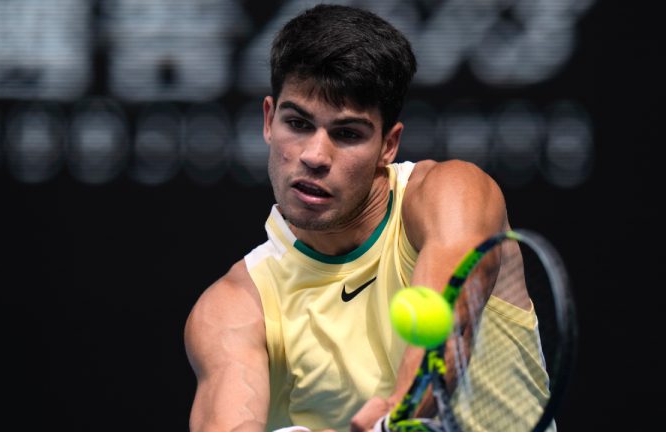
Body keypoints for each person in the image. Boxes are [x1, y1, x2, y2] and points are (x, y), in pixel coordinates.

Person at [185, 4, 548, 432]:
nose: (315, 156)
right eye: (298, 123)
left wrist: (397, 411)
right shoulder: (233, 309)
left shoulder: (452, 194)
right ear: (268, 120)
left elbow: (449, 318)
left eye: (347, 134)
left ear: (388, 146)